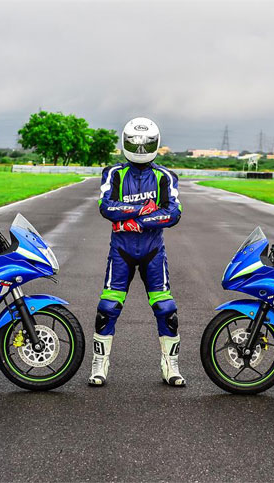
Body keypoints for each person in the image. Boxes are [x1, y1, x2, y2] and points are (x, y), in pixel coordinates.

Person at [89, 117, 185, 387]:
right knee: (108, 307)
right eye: (135, 143)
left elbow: (174, 213)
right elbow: (106, 207)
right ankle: (99, 365)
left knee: (166, 309)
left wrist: (136, 221)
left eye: (146, 144)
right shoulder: (113, 173)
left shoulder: (165, 176)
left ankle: (171, 367)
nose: (141, 149)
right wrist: (143, 209)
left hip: (153, 251)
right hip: (121, 251)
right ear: (125, 143)